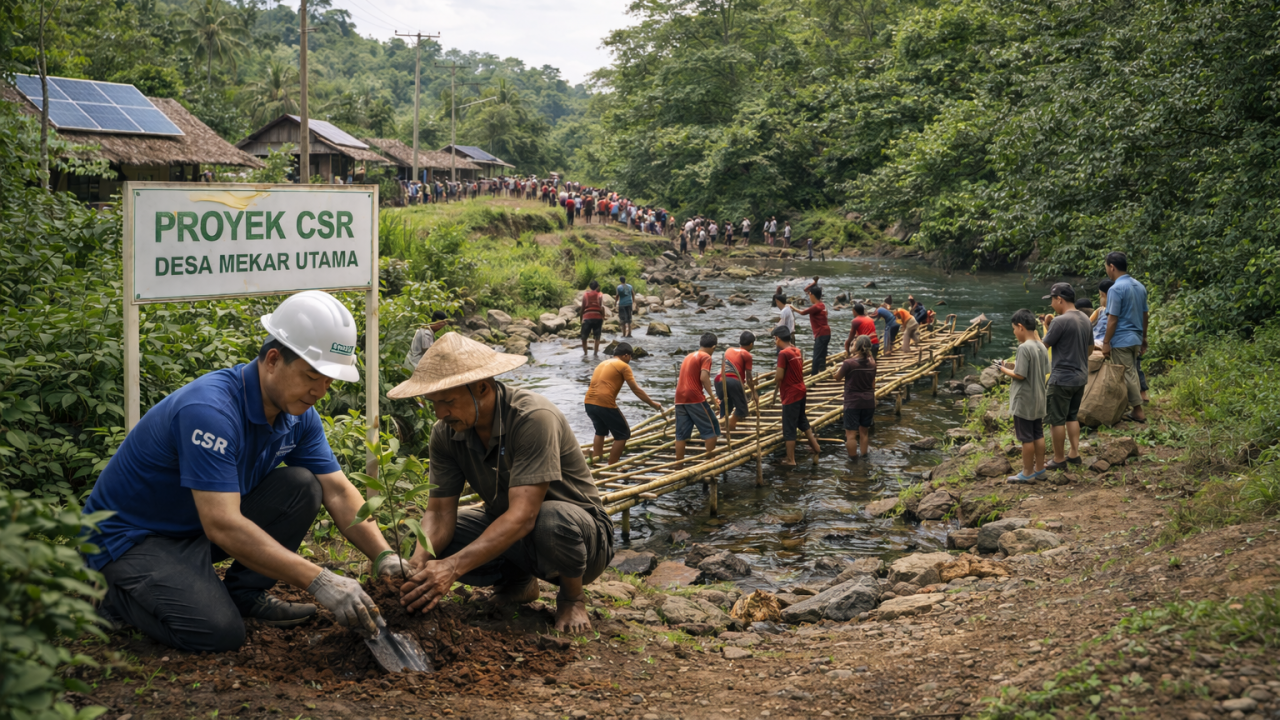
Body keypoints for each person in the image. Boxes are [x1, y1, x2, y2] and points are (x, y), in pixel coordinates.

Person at [84, 291, 404, 652]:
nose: (320, 391)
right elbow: (222, 524)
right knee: (217, 633)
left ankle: (243, 594)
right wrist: (320, 580)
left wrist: (383, 556)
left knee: (303, 485)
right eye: (312, 375)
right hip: (132, 539)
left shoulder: (297, 414)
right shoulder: (211, 411)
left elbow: (338, 490)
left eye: (330, 381)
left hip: (193, 530)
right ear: (272, 360)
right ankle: (109, 595)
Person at [390, 334, 612, 634]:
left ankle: (572, 597)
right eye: (434, 404)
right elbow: (440, 513)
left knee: (551, 521)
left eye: (448, 402)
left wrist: (452, 568)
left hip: (581, 539)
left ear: (482, 388)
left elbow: (524, 516)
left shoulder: (532, 418)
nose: (441, 414)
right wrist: (418, 566)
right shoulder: (446, 432)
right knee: (435, 537)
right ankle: (518, 582)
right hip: (516, 531)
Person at [1039, 283, 1092, 470]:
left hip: (1061, 379)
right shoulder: (1085, 319)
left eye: (1052, 300)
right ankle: (1074, 454)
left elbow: (1042, 348)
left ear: (1059, 299)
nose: (1052, 304)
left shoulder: (1059, 321)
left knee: (1056, 420)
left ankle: (1059, 459)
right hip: (1080, 377)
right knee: (1072, 416)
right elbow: (1090, 349)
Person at [583, 342, 663, 466]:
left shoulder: (602, 363)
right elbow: (636, 389)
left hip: (589, 402)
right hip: (604, 403)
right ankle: (612, 465)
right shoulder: (623, 366)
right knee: (623, 434)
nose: (630, 360)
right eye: (630, 357)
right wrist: (652, 404)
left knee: (600, 431)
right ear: (626, 355)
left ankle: (596, 461)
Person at [994, 309, 1049, 484]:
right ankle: (1040, 470)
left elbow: (1020, 375)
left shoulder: (1024, 347)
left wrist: (1002, 369)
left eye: (1014, 329)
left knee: (1026, 437)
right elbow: (1044, 370)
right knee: (1038, 434)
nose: (1014, 333)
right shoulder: (1041, 345)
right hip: (1039, 397)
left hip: (1025, 399)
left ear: (1020, 327)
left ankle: (1027, 472)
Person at [1100, 252, 1149, 423]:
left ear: (1111, 267)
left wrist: (1106, 342)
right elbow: (1145, 315)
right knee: (1132, 371)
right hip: (1135, 337)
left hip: (1121, 339)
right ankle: (1132, 406)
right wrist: (1144, 337)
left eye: (1106, 267)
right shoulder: (1139, 286)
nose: (1107, 270)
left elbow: (1112, 319)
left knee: (1125, 374)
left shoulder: (1115, 289)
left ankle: (1137, 410)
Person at [770, 327, 820, 465]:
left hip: (791, 393)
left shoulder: (783, 354)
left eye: (775, 339)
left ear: (778, 338)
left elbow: (779, 376)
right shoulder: (796, 351)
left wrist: (775, 378)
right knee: (801, 420)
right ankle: (816, 447)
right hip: (801, 389)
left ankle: (790, 459)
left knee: (789, 426)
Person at [674, 333, 721, 468]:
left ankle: (678, 464)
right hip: (694, 396)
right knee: (712, 427)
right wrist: (713, 398)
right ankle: (709, 461)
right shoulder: (706, 357)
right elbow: (703, 377)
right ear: (713, 347)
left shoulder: (689, 356)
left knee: (681, 434)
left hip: (679, 397)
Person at [835, 335, 876, 459]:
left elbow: (837, 378)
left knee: (851, 434)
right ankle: (864, 457)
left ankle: (853, 461)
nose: (851, 345)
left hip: (853, 402)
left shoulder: (848, 363)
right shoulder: (872, 363)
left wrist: (835, 370)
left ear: (858, 348)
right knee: (864, 432)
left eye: (853, 344)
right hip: (869, 402)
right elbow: (873, 384)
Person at [714, 331, 758, 434]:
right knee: (742, 409)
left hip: (718, 379)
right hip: (732, 380)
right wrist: (753, 392)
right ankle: (730, 427)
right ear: (751, 344)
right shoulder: (747, 355)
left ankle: (722, 424)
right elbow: (749, 378)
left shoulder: (729, 350)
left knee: (726, 403)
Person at [792, 285, 831, 375]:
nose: (809, 297)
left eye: (809, 295)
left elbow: (802, 312)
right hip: (826, 333)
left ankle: (814, 375)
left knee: (816, 356)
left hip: (821, 334)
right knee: (822, 355)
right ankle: (823, 371)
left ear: (812, 295)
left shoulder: (816, 307)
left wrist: (792, 307)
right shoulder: (822, 305)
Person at [579, 280, 607, 357]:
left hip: (587, 317)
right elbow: (601, 307)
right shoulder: (600, 295)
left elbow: (582, 308)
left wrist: (581, 318)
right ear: (597, 286)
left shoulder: (585, 295)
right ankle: (595, 354)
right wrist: (603, 316)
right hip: (598, 317)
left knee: (584, 337)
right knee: (597, 337)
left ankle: (585, 354)